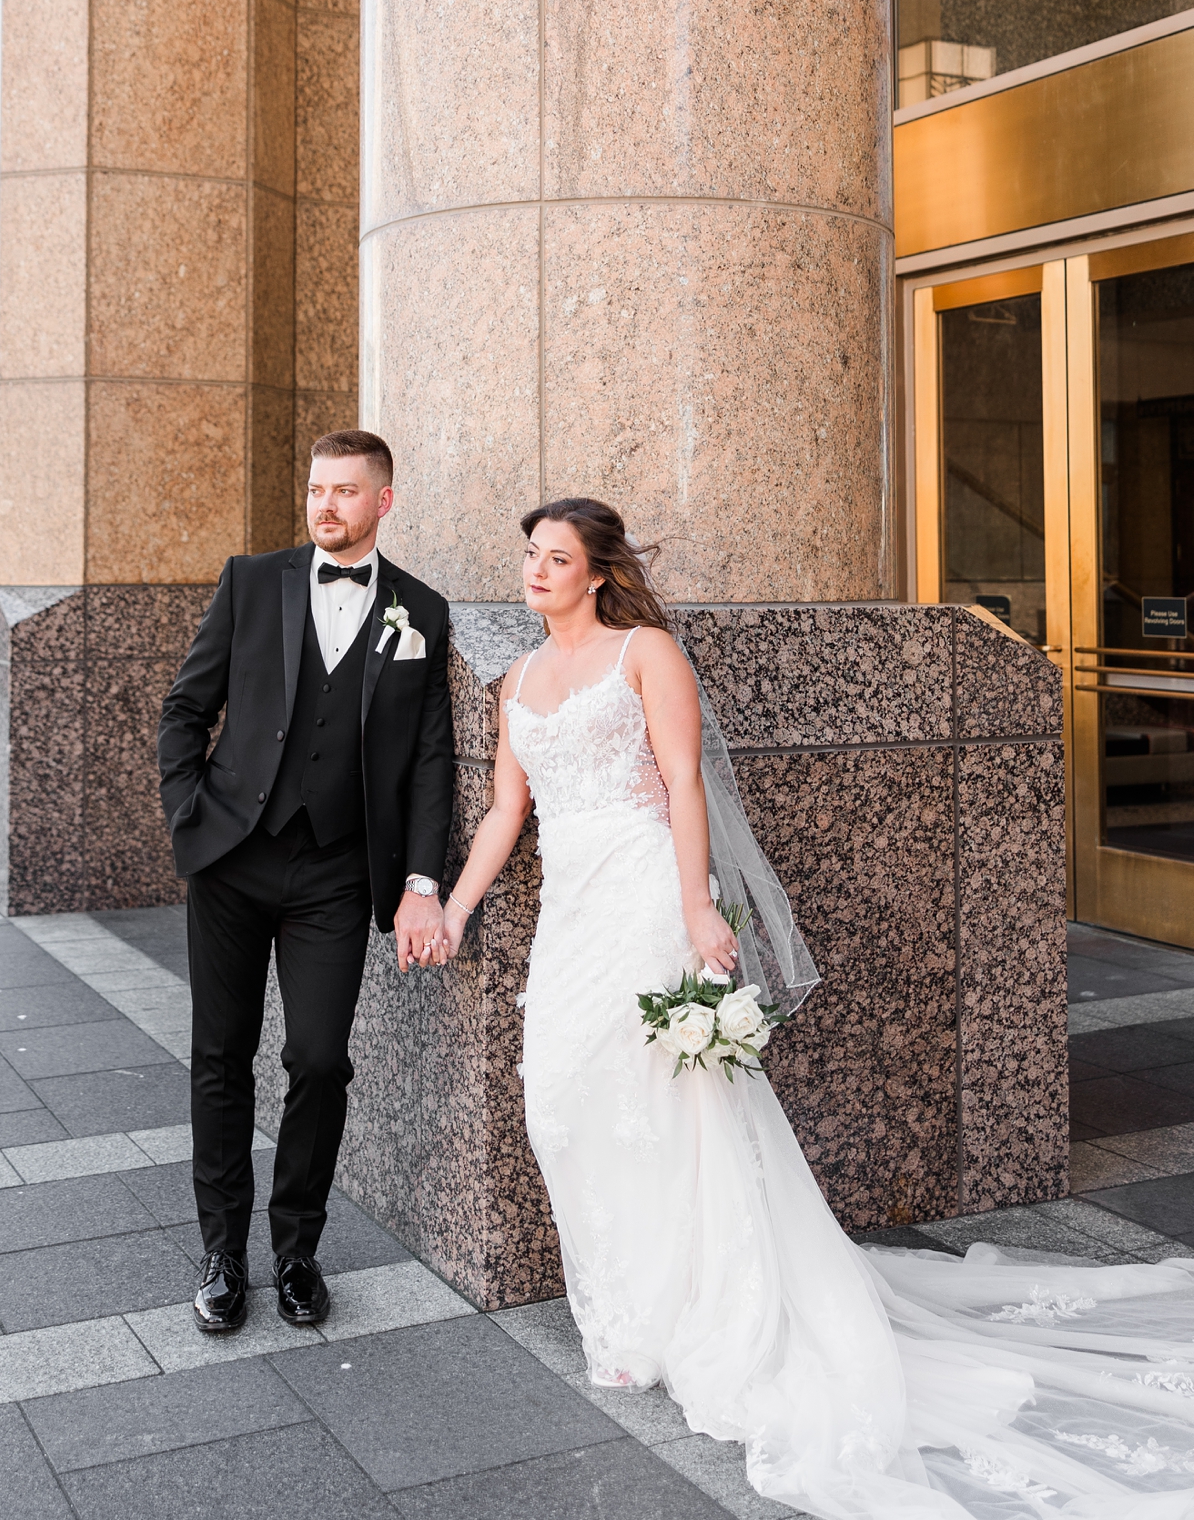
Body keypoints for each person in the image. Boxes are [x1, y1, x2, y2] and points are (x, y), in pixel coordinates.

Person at [442, 494, 1194, 1520]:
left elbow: (680, 780)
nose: (534, 570)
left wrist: (700, 905)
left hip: (646, 896)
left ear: (597, 570)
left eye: (555, 556)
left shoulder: (645, 653)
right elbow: (506, 809)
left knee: (670, 1107)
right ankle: (626, 1317)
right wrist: (454, 902)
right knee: (563, 1107)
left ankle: (701, 1316)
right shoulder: (518, 679)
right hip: (570, 917)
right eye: (529, 553)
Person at [157, 429, 453, 1337]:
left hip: (335, 870)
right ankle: (221, 1254)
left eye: (345, 491)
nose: (325, 504)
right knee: (221, 1057)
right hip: (234, 862)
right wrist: (189, 816)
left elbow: (431, 760)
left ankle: (295, 1252)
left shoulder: (421, 611)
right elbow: (185, 706)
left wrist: (420, 880)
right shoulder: (252, 581)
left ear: (384, 501)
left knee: (319, 1060)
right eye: (317, 489)